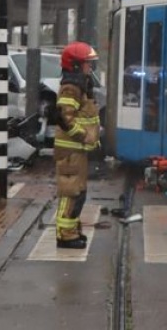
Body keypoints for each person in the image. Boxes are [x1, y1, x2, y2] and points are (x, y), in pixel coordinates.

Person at [53, 41, 101, 249]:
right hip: (71, 150)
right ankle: (65, 235)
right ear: (74, 65)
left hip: (78, 150)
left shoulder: (79, 85)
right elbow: (65, 118)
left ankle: (71, 231)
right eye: (87, 64)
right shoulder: (71, 88)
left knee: (78, 192)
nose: (90, 68)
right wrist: (85, 137)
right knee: (70, 192)